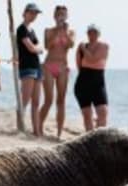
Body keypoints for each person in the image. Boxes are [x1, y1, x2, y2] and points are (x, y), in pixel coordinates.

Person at [39, 5, 75, 139]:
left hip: (62, 67)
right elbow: (48, 46)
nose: (61, 16)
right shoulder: (48, 31)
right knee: (48, 99)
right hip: (49, 65)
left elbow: (71, 45)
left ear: (66, 16)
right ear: (55, 16)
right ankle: (39, 127)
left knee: (61, 100)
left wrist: (64, 31)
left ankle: (59, 133)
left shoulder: (71, 32)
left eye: (63, 14)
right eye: (59, 14)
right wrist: (57, 31)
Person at [74, 24, 110, 131]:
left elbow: (93, 59)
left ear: (99, 34)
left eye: (94, 32)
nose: (92, 34)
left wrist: (84, 49)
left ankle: (100, 138)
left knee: (103, 113)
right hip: (83, 81)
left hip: (98, 82)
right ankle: (90, 140)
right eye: (90, 32)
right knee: (87, 115)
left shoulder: (104, 46)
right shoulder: (81, 47)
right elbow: (79, 65)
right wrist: (82, 48)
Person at [17, 3, 43, 136]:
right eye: (32, 12)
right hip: (27, 66)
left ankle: (36, 131)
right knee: (25, 99)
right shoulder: (21, 29)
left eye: (36, 13)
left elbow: (38, 45)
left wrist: (37, 48)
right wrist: (37, 49)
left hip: (37, 66)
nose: (34, 15)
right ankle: (20, 128)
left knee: (36, 101)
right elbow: (32, 48)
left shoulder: (31, 30)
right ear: (25, 12)